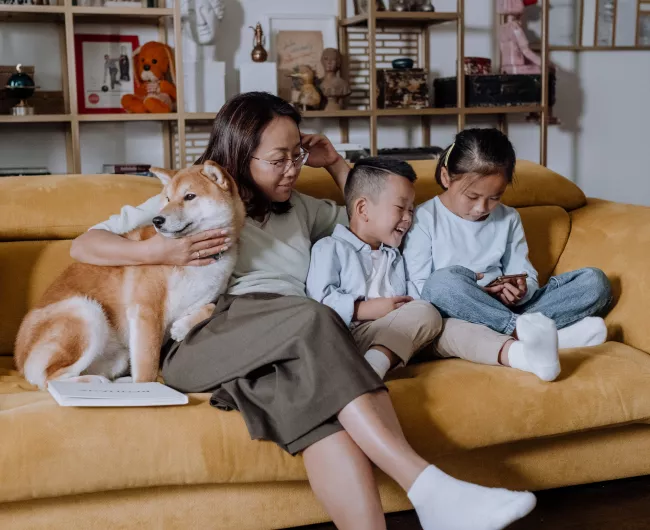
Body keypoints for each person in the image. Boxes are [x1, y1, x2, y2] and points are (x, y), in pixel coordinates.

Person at [71, 93, 536, 530]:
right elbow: (85, 243)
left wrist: (334, 162)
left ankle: (426, 510)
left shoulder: (301, 211)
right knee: (316, 316)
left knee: (324, 423)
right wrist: (161, 254)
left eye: (297, 155)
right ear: (237, 155)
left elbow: (371, 215)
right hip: (205, 335)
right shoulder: (194, 196)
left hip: (281, 345)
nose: (292, 170)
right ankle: (430, 489)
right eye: (278, 160)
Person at [404, 128, 612, 383]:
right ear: (447, 177)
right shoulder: (425, 218)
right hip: (459, 313)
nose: (482, 208)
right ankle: (532, 333)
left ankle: (524, 332)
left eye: (494, 197)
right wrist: (479, 294)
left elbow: (525, 271)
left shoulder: (508, 218)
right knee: (442, 282)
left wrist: (523, 289)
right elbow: (422, 289)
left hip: (506, 308)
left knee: (595, 281)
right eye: (472, 196)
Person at [306, 157, 519, 383]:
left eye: (411, 209)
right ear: (362, 208)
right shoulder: (329, 248)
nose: (408, 218)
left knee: (448, 325)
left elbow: (416, 297)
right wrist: (365, 309)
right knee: (425, 312)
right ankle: (372, 369)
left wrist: (472, 293)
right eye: (400, 208)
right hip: (353, 336)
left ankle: (517, 353)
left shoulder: (395, 256)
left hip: (405, 333)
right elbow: (319, 303)